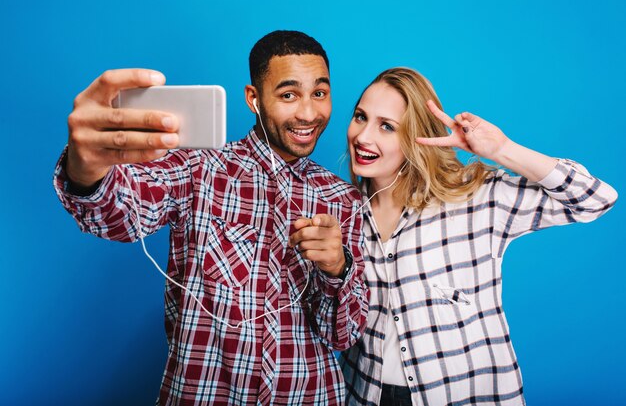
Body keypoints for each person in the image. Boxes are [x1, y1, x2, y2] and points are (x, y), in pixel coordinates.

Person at [53, 30, 368, 406]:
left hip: (310, 396)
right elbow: (116, 214)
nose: (308, 113)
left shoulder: (343, 198)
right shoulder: (198, 167)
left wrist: (338, 268)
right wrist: (85, 168)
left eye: (319, 93)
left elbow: (343, 336)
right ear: (254, 99)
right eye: (288, 94)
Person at [339, 67, 617, 406]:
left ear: (418, 136)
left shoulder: (476, 198)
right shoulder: (340, 213)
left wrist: (502, 149)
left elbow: (595, 199)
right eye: (360, 117)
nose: (363, 136)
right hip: (364, 394)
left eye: (386, 126)